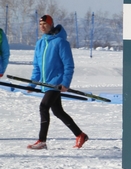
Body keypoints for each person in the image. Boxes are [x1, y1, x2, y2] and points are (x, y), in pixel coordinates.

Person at [27, 15, 88, 150]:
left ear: (51, 24)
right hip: (46, 83)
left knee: (44, 107)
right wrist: (32, 84)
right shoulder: (40, 43)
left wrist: (65, 83)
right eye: (40, 24)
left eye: (45, 24)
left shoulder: (61, 42)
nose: (42, 26)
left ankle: (42, 140)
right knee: (58, 111)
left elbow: (69, 65)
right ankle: (80, 135)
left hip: (56, 83)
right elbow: (37, 67)